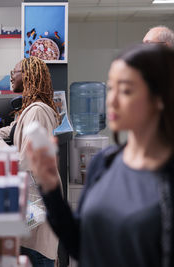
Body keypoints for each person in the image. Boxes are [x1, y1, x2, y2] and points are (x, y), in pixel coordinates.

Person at [26, 43, 174, 267]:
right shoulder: (105, 163)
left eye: (125, 90)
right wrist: (51, 188)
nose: (111, 101)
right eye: (111, 88)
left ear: (160, 97)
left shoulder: (167, 179)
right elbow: (80, 244)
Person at [0, 56, 61, 267]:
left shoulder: (37, 112)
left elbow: (24, 162)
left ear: (27, 76)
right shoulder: (31, 109)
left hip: (37, 209)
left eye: (14, 73)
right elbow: (12, 129)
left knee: (37, 256)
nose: (11, 77)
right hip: (31, 207)